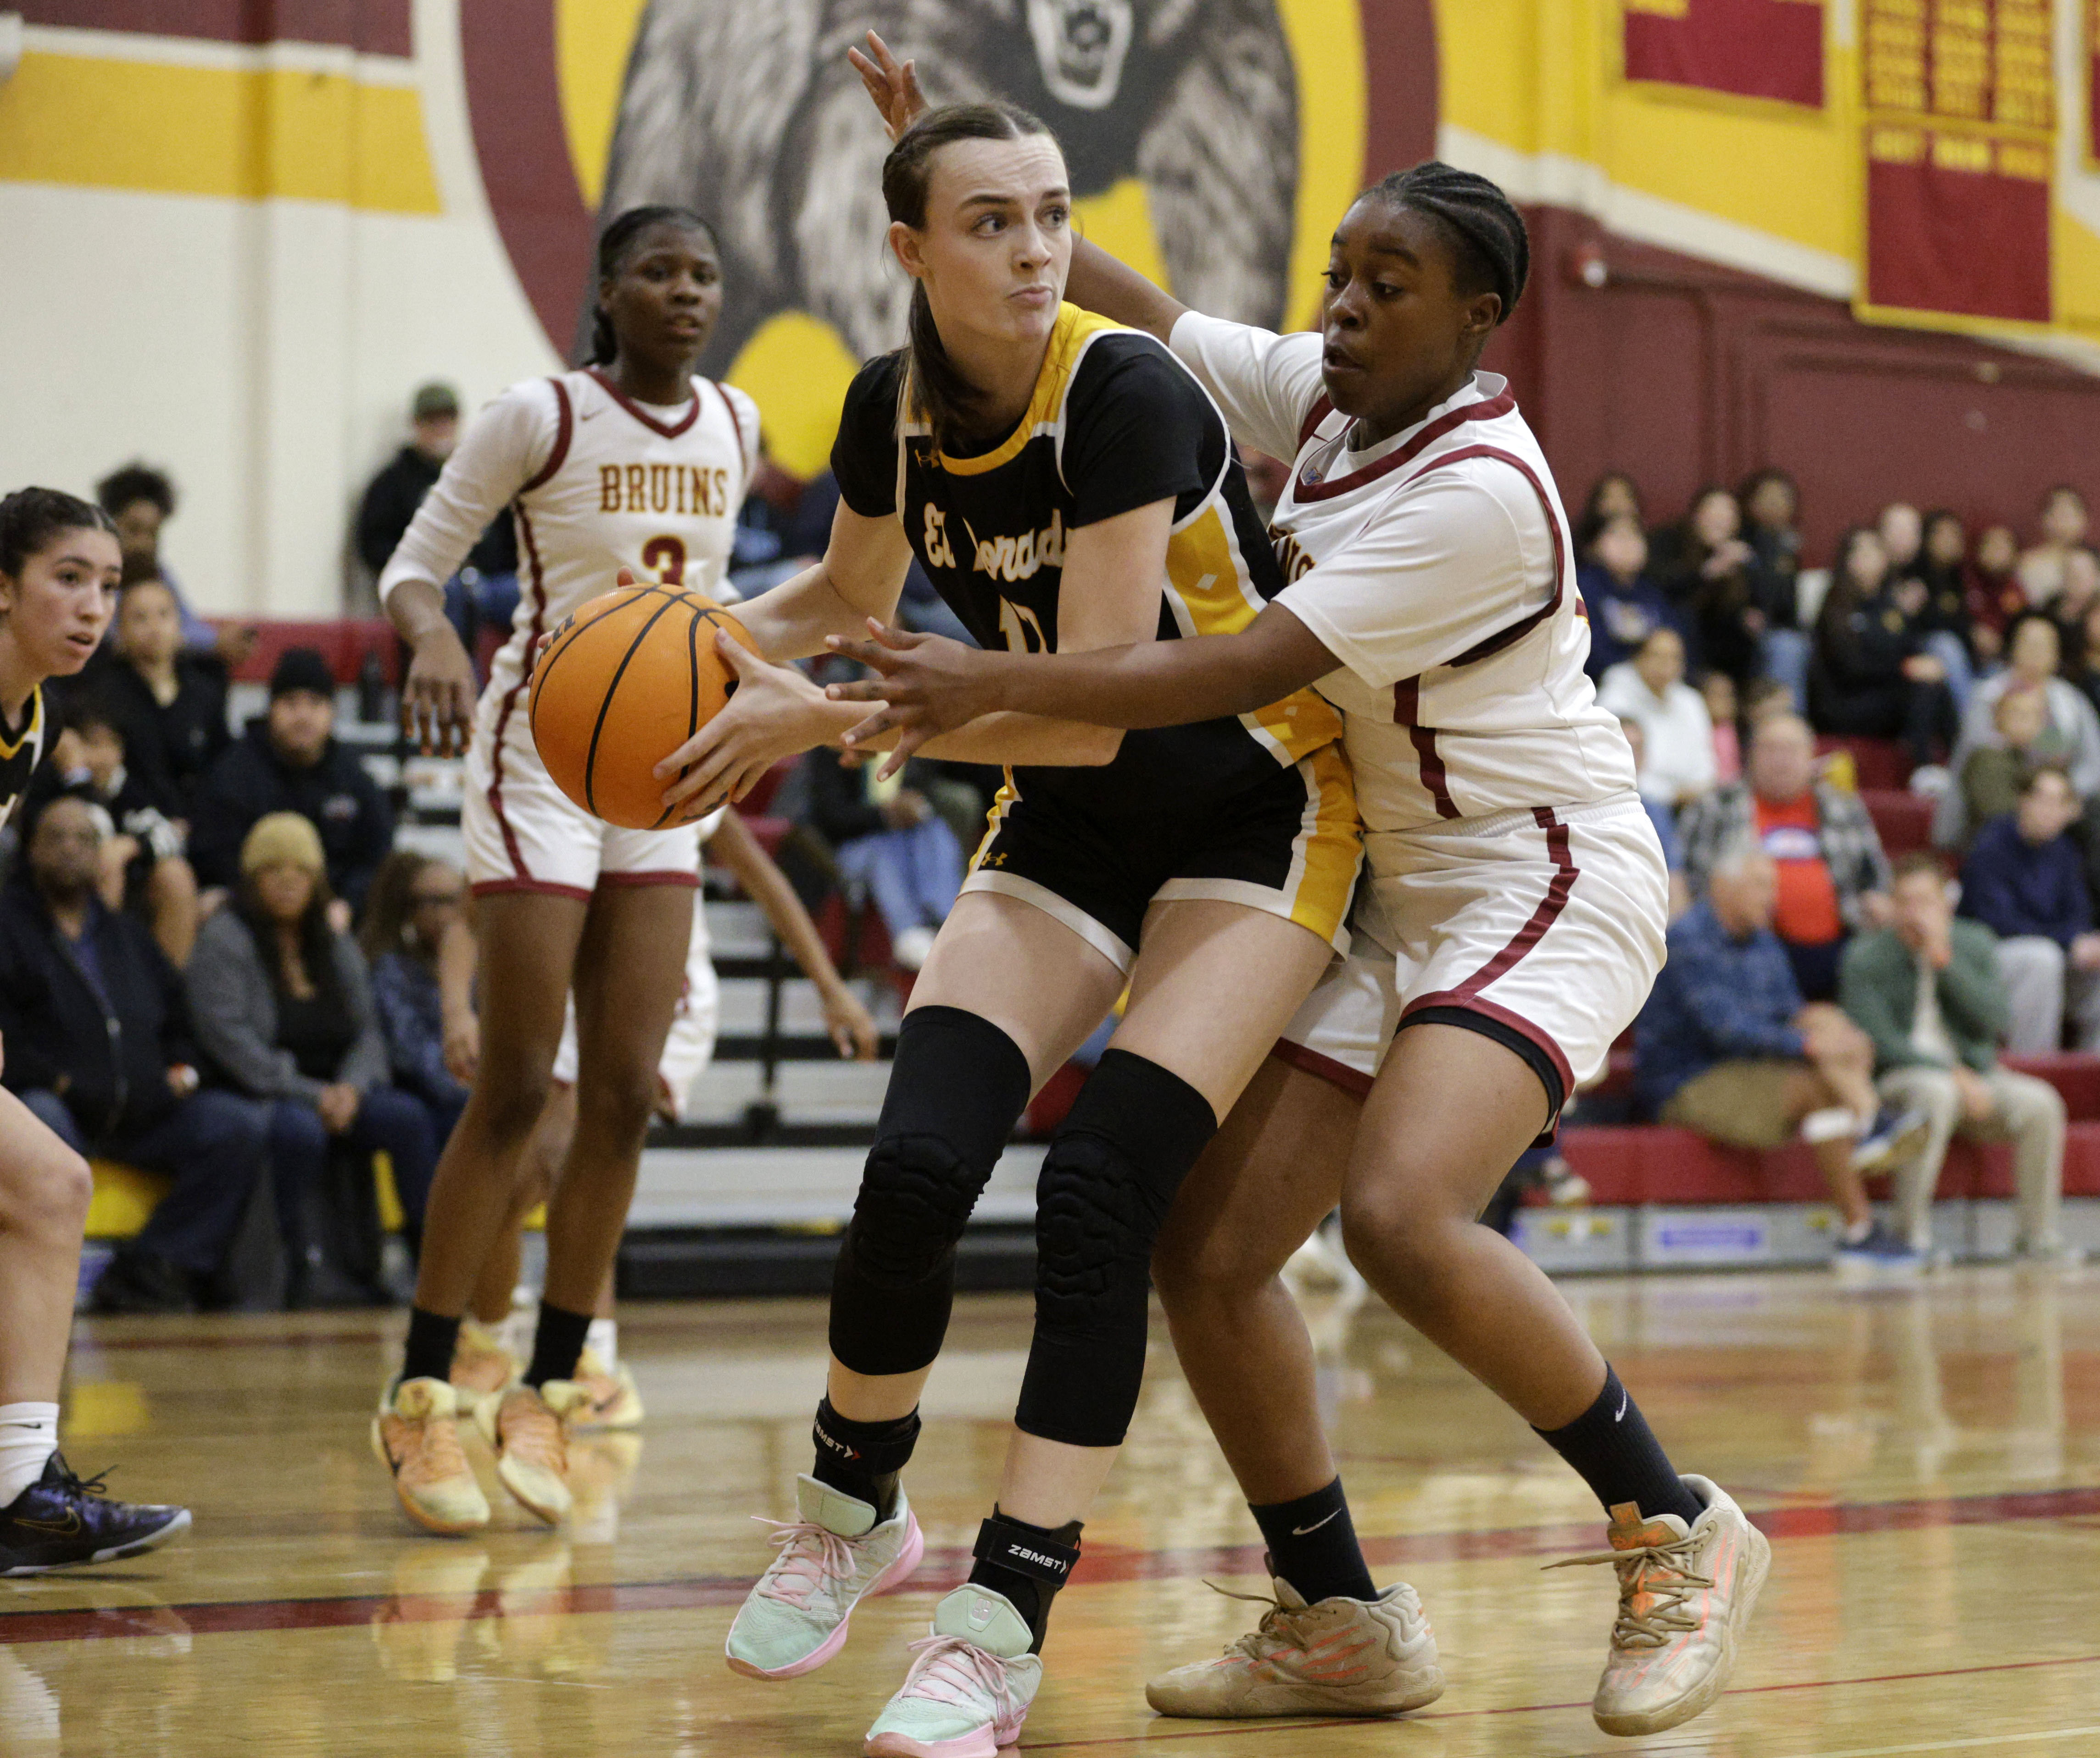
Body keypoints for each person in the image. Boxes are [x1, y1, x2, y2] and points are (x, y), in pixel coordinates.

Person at [807, 39, 1766, 1743]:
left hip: (1537, 866)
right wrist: (970, 167)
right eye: (1336, 272)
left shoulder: (1479, 491)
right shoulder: (1337, 399)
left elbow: (1226, 666)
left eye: (1386, 286)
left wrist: (966, 694)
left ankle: (1671, 1524)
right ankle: (1335, 1613)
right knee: (1210, 1244)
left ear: (1479, 324)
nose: (1341, 306)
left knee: (1401, 1214)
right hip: (1393, 870)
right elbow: (1153, 318)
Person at [667, 93, 1367, 1751]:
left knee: (1102, 1190)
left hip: (1252, 818)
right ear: (907, 250)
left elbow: (1093, 705)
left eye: (1054, 214)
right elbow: (850, 598)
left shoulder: (1122, 390)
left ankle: (1000, 1618)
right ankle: (855, 1515)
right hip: (1064, 823)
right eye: (993, 221)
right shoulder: (881, 406)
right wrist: (685, 633)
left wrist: (812, 722)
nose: (1039, 249)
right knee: (913, 1165)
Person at [370, 203, 774, 1536]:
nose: (685, 291)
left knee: (619, 1095)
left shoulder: (737, 420)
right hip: (541, 747)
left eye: (703, 272)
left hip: (660, 764)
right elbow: (415, 562)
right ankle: (425, 1390)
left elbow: (718, 607)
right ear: (608, 286)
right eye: (659, 269)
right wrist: (430, 635)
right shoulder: (536, 414)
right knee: (515, 1081)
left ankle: (550, 1379)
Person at [449, 807, 884, 1428]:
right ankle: (489, 1339)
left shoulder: (673, 770)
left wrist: (829, 987)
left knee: (572, 1152)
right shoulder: (537, 777)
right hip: (569, 992)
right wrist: (454, 1013)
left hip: (663, 999)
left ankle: (590, 1360)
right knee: (515, 1179)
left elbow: (764, 880)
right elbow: (466, 920)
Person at [0, 487, 190, 1572]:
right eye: (67, 578)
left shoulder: (33, 720)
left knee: (50, 1185)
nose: (92, 607)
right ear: (3, 587)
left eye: (108, 587)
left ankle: (21, 1488)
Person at [0, 790, 269, 1313]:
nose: (71, 849)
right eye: (57, 837)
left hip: (144, 1112)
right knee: (40, 1115)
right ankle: (42, 1286)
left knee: (236, 1126)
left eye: (85, 838)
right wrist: (58, 1081)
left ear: (103, 853)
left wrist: (184, 1074)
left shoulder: (127, 935)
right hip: (62, 1105)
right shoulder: (7, 929)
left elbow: (180, 1020)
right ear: (30, 849)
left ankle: (149, 1266)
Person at [1635, 844, 1926, 1276]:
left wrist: (1839, 1031)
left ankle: (1860, 1223)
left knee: (1827, 1024)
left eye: (1772, 886)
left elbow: (1792, 1011)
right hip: (1686, 1081)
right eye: (1759, 885)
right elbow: (1727, 1033)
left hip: (1747, 1070)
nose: (1771, 897)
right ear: (1722, 887)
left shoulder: (1764, 939)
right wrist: (1810, 1046)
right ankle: (1870, 1129)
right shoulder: (1687, 942)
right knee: (1817, 1084)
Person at [185, 813, 439, 1304]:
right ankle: (283, 1268)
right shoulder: (225, 937)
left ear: (316, 879)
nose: (286, 879)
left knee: (407, 1119)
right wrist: (313, 1093)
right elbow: (230, 1040)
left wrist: (351, 1088)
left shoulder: (332, 941)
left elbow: (368, 1030)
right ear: (251, 878)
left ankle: (430, 1266)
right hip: (265, 1090)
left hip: (338, 1089)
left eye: (299, 870)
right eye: (272, 869)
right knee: (298, 1130)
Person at [1839, 853, 2069, 1260]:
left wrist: (1945, 964)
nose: (1915, 913)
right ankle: (1910, 1237)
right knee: (1936, 1092)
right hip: (1901, 1079)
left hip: (1977, 1074)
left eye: (1924, 901)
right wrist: (1952, 1074)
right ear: (1890, 906)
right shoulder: (1864, 957)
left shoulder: (1973, 942)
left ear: (1945, 903)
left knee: (2042, 1104)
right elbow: (1882, 1044)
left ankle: (2036, 1238)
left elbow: (1995, 1021)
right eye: (1904, 902)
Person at [1675, 713, 1892, 1002]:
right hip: (1744, 951)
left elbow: (1877, 879)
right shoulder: (1715, 807)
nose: (1781, 760)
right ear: (1750, 755)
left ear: (1811, 757)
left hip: (1840, 946)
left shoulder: (1844, 808)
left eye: (1791, 750)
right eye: (1770, 749)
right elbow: (1684, 878)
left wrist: (1877, 902)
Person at [189, 648, 394, 914]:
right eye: (291, 703)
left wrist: (348, 903)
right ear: (271, 708)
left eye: (315, 702)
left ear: (332, 711)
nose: (303, 716)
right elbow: (213, 852)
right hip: (251, 910)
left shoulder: (353, 778)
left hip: (334, 914)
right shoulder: (235, 772)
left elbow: (378, 855)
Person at [354, 383, 518, 649]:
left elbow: (512, 536)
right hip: (434, 584)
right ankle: (463, 687)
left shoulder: (482, 475)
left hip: (489, 583)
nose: (441, 428)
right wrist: (412, 571)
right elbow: (373, 544)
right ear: (416, 424)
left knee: (533, 596)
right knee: (450, 596)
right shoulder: (392, 482)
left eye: (447, 419)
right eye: (431, 421)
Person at [40, 694, 198, 965]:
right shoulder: (51, 786)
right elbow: (94, 837)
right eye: (91, 743)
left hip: (126, 892)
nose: (103, 756)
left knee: (176, 874)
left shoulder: (127, 788)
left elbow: (172, 836)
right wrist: (77, 776)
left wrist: (132, 847)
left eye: (111, 744)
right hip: (59, 892)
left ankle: (168, 990)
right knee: (105, 861)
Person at [1957, 767, 2100, 1054]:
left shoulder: (2065, 851)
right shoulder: (1991, 845)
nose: (2049, 810)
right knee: (2042, 959)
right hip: (1989, 956)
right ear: (2023, 800)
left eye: (2060, 802)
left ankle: (2091, 1073)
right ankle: (2034, 1065)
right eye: (2042, 799)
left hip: (2051, 948)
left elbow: (2079, 913)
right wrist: (2068, 941)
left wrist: (2082, 942)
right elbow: (1999, 922)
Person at [1936, 614, 2100, 847]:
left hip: (2064, 806)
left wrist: (2061, 800)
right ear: (2013, 648)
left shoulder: (2072, 703)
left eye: (2043, 646)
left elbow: (2094, 765)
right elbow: (1970, 757)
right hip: (2001, 801)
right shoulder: (1988, 695)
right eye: (2028, 643)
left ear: (2057, 655)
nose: (2035, 652)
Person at [802, 743, 964, 970]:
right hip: (847, 849)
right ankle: (908, 931)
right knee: (881, 848)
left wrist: (914, 810)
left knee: (935, 830)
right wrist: (883, 816)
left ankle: (945, 920)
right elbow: (831, 818)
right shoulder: (831, 747)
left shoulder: (913, 742)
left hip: (901, 840)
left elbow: (924, 792)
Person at [1808, 526, 1957, 771]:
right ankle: (1922, 767)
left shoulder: (1892, 606)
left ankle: (1954, 762)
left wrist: (1916, 663)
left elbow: (1909, 648)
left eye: (1875, 548)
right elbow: (1848, 667)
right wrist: (1904, 668)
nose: (1869, 556)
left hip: (1887, 700)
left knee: (1934, 684)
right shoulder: (1835, 603)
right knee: (1925, 688)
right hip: (1845, 703)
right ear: (1846, 560)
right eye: (1860, 550)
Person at [361, 851, 473, 1158]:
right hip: (427, 1094)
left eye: (453, 900)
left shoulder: (483, 966)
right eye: (430, 902)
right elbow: (411, 1053)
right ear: (410, 911)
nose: (442, 914)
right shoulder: (394, 970)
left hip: (472, 1091)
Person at [96, 567, 230, 817]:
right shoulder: (104, 697)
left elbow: (221, 768)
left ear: (180, 626)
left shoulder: (205, 693)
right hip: (132, 823)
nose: (154, 627)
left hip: (201, 823)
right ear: (119, 632)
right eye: (140, 618)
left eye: (164, 614)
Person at [94, 463, 253, 669]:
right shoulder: (94, 577)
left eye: (153, 533)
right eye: (134, 530)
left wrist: (224, 639)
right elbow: (115, 637)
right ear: (110, 525)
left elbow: (187, 625)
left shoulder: (159, 574)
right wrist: (211, 643)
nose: (144, 544)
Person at [1650, 487, 1769, 686]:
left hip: (1726, 639)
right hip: (1682, 631)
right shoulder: (1671, 540)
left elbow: (1768, 603)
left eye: (1727, 514)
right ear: (1696, 515)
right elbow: (1662, 588)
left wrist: (1752, 568)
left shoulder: (1746, 550)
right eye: (1712, 512)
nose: (1719, 520)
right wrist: (1707, 571)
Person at [1595, 626, 1716, 811]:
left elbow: (1706, 763)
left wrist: (1694, 791)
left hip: (1691, 803)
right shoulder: (1613, 699)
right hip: (1634, 802)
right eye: (1658, 656)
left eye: (1674, 658)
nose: (1666, 665)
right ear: (1639, 658)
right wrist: (1671, 795)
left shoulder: (1691, 702)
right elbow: (1613, 770)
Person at [1958, 686, 2067, 843]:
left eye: (2035, 715)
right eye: (2017, 713)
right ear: (1998, 717)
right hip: (1992, 848)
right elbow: (1998, 815)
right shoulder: (1986, 757)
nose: (2025, 721)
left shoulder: (2036, 759)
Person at [1575, 512, 1673, 679]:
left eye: (1634, 535)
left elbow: (1670, 640)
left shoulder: (1652, 593)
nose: (1627, 543)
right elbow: (1588, 651)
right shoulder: (1582, 588)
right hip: (1596, 683)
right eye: (1616, 535)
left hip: (1653, 681)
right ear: (1595, 545)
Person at [2017, 486, 2089, 606]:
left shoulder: (2095, 563)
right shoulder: (2027, 564)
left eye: (2071, 514)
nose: (2066, 522)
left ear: (2084, 520)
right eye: (2060, 514)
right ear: (2045, 519)